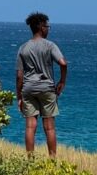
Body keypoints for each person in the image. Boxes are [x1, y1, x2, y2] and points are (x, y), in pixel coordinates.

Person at [16, 12, 68, 157]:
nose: (48, 29)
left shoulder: (23, 48)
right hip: (46, 88)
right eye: (47, 26)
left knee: (30, 127)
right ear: (40, 27)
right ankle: (52, 160)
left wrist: (19, 96)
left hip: (28, 89)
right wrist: (62, 81)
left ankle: (30, 160)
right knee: (49, 128)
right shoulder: (50, 46)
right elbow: (63, 63)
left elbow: (19, 76)